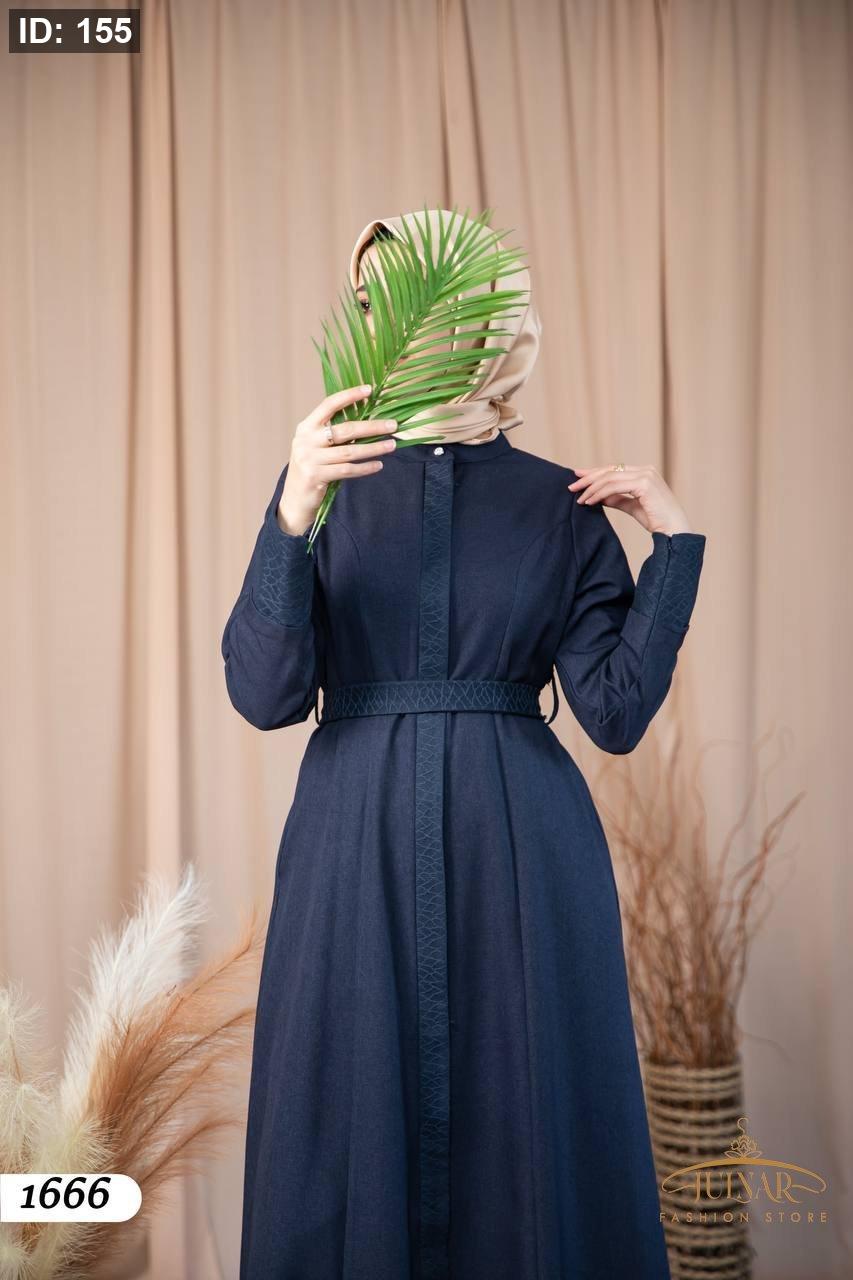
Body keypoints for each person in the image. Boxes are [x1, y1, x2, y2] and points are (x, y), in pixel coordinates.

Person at [222, 209, 706, 1280]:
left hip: (520, 849)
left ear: (484, 322)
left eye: (411, 301)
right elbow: (263, 694)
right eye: (367, 301)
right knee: (340, 1101)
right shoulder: (325, 482)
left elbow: (614, 712)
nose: (381, 323)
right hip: (351, 843)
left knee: (524, 1107)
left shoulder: (557, 505)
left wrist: (672, 547)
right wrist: (291, 510)